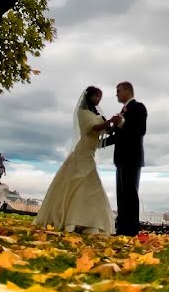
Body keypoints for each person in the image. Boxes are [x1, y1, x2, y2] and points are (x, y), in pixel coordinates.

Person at [33, 86, 115, 235]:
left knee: (86, 185)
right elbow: (93, 128)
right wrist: (109, 122)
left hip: (90, 151)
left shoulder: (96, 114)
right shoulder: (82, 113)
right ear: (89, 96)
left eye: (99, 97)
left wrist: (113, 124)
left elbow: (105, 130)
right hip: (82, 151)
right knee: (87, 183)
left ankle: (86, 221)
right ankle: (75, 220)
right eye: (96, 96)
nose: (98, 100)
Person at [110, 81, 147, 236]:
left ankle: (131, 230)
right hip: (120, 159)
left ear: (127, 90)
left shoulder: (139, 107)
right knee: (121, 194)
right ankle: (122, 228)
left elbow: (140, 130)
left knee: (130, 194)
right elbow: (118, 136)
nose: (116, 94)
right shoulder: (122, 111)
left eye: (118, 90)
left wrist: (122, 123)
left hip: (132, 158)